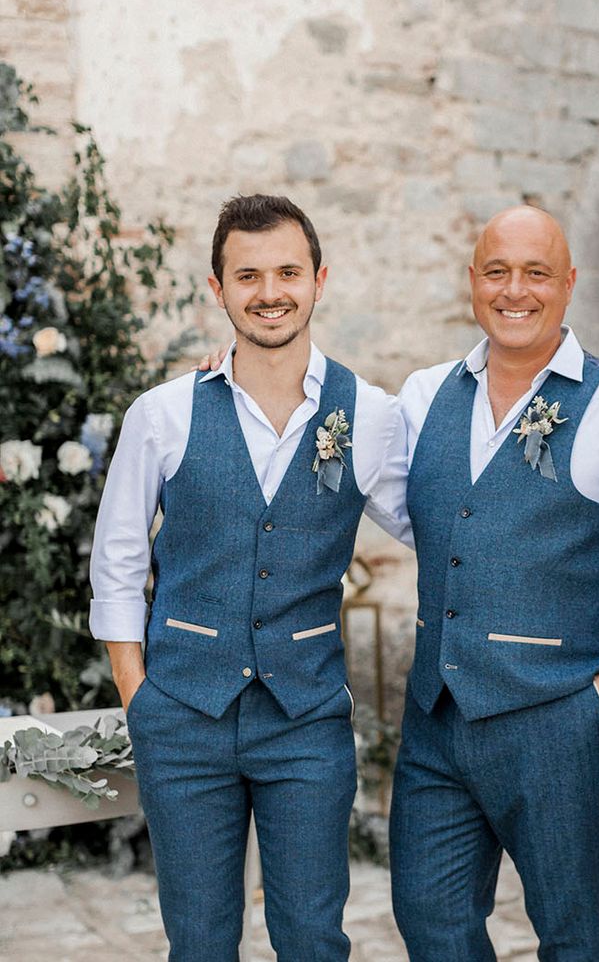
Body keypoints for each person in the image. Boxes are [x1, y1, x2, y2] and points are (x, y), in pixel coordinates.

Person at [89, 195, 408, 961]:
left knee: (312, 938)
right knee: (198, 941)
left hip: (306, 720)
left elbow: (441, 524)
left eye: (288, 272)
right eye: (249, 275)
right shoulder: (163, 413)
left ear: (319, 279)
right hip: (183, 715)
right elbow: (118, 560)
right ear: (218, 288)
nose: (271, 292)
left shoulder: (370, 415)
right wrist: (142, 698)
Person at [386, 205, 599, 962]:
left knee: (576, 940)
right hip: (436, 723)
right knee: (430, 926)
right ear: (473, 282)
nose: (516, 290)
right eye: (497, 271)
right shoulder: (420, 396)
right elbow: (333, 450)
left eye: (536, 273)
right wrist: (241, 369)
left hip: (563, 724)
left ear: (569, 284)